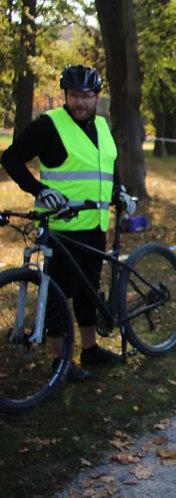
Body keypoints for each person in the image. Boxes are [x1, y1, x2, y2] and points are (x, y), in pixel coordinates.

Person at [0, 64, 136, 382]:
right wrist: (40, 190)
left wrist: (120, 191)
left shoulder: (102, 126)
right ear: (65, 95)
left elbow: (108, 164)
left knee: (89, 289)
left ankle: (90, 349)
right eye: (74, 95)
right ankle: (60, 360)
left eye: (86, 96)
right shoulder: (50, 125)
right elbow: (10, 158)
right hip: (62, 228)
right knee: (58, 294)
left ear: (97, 97)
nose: (80, 103)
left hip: (96, 223)